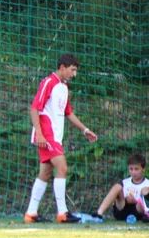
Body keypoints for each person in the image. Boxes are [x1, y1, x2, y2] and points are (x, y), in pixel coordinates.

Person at [24, 53, 97, 224]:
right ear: (62, 67)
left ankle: (31, 213)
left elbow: (68, 112)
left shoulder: (64, 86)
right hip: (47, 135)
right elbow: (34, 108)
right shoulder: (49, 82)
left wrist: (84, 129)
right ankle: (62, 213)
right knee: (62, 168)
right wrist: (40, 133)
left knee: (46, 172)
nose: (74, 74)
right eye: (72, 70)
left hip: (55, 135)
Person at [93, 154, 149, 222]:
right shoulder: (125, 182)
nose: (133, 172)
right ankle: (99, 214)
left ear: (143, 169)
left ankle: (147, 215)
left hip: (139, 211)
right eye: (131, 169)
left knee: (145, 190)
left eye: (136, 169)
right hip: (122, 210)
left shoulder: (147, 183)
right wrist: (126, 199)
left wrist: (136, 201)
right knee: (117, 187)